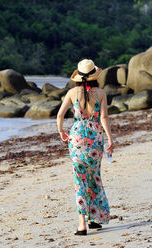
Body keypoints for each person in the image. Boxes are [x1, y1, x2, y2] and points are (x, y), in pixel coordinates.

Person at [56, 59, 114, 236]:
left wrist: (61, 132)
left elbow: (59, 115)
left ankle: (82, 224)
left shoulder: (72, 93)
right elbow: (104, 118)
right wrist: (110, 139)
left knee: (79, 180)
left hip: (76, 139)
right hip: (95, 139)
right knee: (94, 177)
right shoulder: (101, 93)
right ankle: (94, 218)